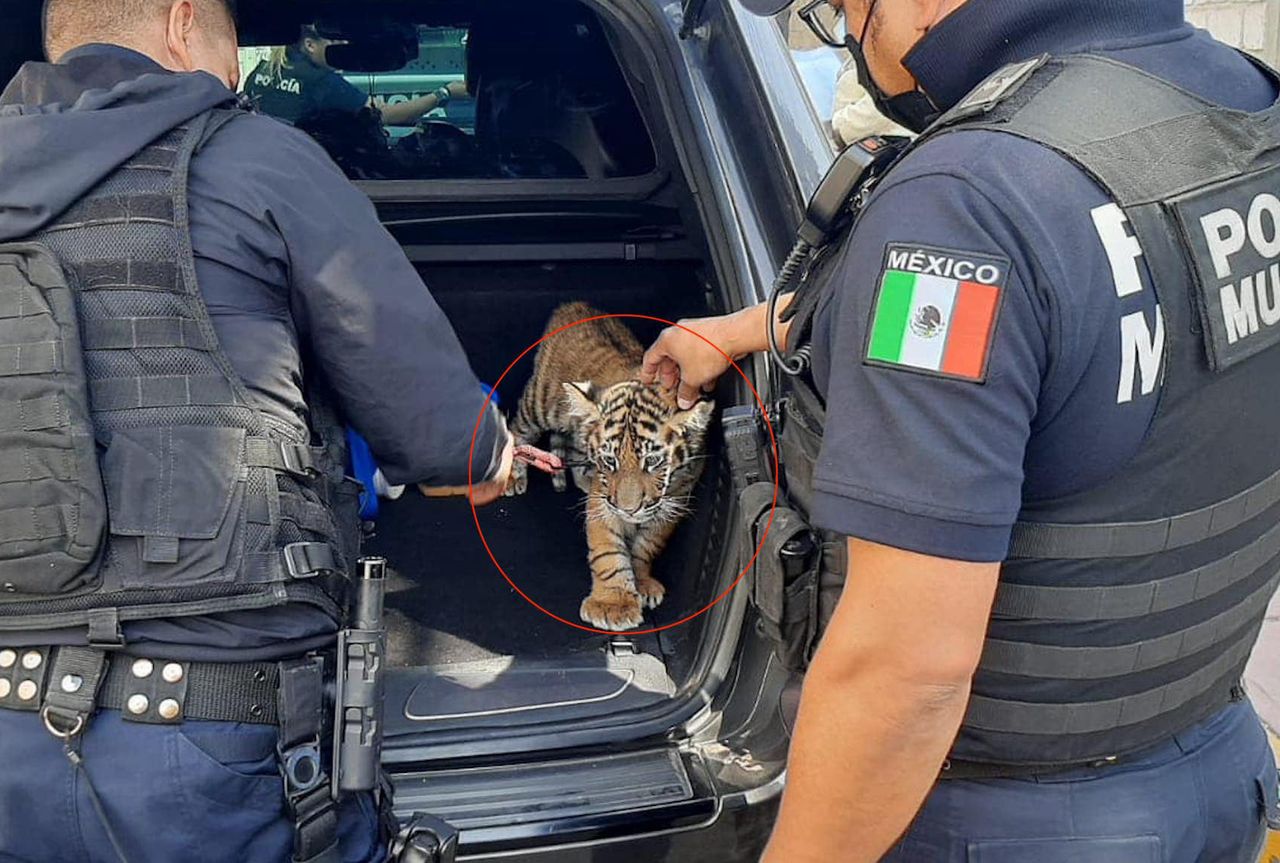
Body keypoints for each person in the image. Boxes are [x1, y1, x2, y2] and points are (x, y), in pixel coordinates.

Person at [642, 0, 1280, 860]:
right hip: (1216, 771)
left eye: (844, 11)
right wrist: (743, 328)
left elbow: (906, 673)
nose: (854, 43)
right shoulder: (1243, 108)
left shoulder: (968, 198)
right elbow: (1051, 327)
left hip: (1007, 819)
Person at [0, 0, 514, 860]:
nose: (236, 73)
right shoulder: (260, 158)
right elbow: (439, 436)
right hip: (214, 749)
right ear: (181, 22)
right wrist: (489, 453)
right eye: (233, 42)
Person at [242, 23, 466, 127]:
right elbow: (387, 116)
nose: (342, 46)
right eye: (334, 42)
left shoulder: (264, 71)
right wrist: (443, 92)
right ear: (310, 44)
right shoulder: (324, 84)